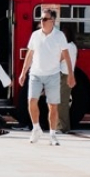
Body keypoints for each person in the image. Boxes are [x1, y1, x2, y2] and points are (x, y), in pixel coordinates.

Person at [18, 9, 74, 146]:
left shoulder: (59, 36)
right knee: (31, 101)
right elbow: (30, 54)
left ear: (52, 21)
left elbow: (66, 55)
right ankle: (36, 128)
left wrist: (71, 75)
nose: (41, 22)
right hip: (35, 73)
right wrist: (23, 72)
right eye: (41, 19)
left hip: (53, 74)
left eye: (44, 19)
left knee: (53, 106)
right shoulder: (35, 35)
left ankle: (53, 134)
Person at [57, 27, 79, 132]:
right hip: (65, 75)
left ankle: (63, 127)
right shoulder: (73, 46)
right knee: (62, 102)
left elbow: (59, 58)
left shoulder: (68, 47)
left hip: (64, 75)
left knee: (62, 103)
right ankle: (60, 126)